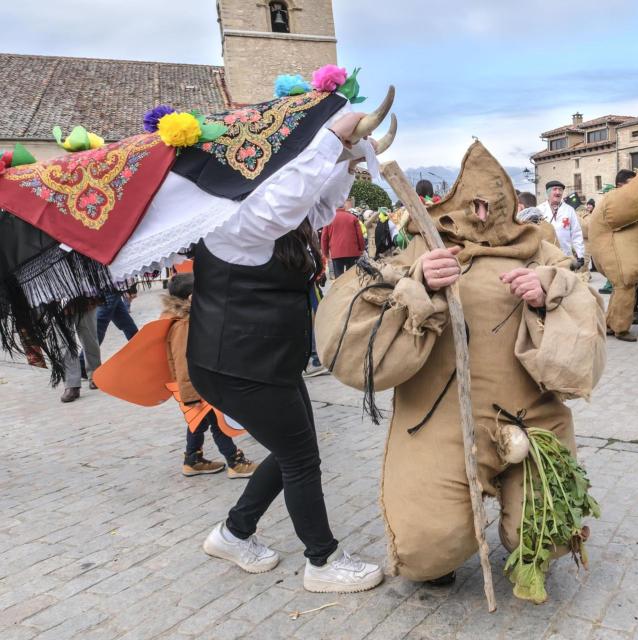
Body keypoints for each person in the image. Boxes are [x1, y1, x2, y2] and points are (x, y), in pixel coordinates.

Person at [315, 141, 605, 592]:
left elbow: (582, 296)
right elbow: (363, 292)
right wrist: (417, 282)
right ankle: (445, 550)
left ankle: (520, 532)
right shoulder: (422, 245)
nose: (483, 211)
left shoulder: (539, 248)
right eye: (473, 202)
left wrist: (548, 286)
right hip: (442, 417)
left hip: (534, 417)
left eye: (493, 202)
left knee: (543, 537)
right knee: (426, 549)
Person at [188, 111, 384, 592]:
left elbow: (315, 205)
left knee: (293, 450)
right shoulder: (236, 221)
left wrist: (346, 159)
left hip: (268, 360)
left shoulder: (279, 218)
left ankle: (234, 533)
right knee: (300, 457)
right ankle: (323, 561)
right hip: (236, 364)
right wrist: (330, 138)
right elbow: (287, 201)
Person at [162, 273, 258, 478]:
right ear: (190, 298)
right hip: (198, 386)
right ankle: (235, 462)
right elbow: (182, 364)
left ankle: (192, 459)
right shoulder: (183, 326)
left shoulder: (192, 319)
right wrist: (191, 396)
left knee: (200, 421)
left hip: (204, 382)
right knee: (218, 421)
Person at [588, 169, 638, 342]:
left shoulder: (624, 203)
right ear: (621, 185)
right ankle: (621, 329)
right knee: (625, 286)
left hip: (623, 259)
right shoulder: (616, 199)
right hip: (620, 261)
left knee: (621, 288)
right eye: (631, 184)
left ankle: (610, 324)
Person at [60, 300, 101, 403]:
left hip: (81, 292)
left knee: (89, 337)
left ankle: (95, 374)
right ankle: (71, 384)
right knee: (64, 342)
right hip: (54, 295)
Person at [537, 180, 585, 266]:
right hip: (546, 256)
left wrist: (580, 255)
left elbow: (576, 233)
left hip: (565, 255)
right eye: (554, 189)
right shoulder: (539, 210)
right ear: (548, 192)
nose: (558, 192)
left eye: (560, 190)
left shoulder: (569, 210)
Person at [321, 196, 366, 277]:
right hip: (353, 252)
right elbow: (360, 236)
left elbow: (324, 238)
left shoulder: (329, 219)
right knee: (352, 277)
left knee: (339, 279)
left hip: (336, 253)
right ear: (344, 206)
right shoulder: (353, 218)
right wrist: (362, 249)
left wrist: (325, 253)